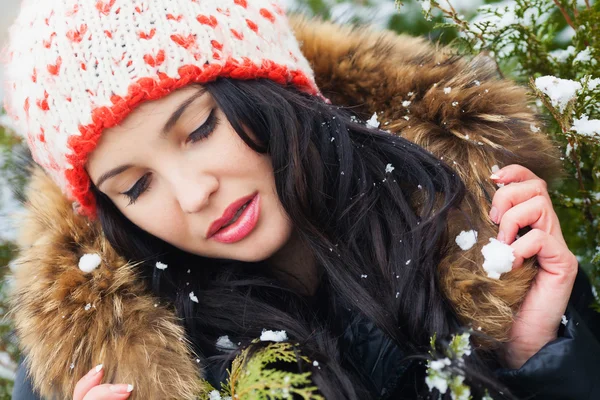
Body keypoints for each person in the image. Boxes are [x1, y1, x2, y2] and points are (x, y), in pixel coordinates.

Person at [3, 0, 599, 399]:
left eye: (201, 129)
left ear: (272, 88)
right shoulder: (94, 366)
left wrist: (537, 353)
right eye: (135, 187)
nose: (192, 194)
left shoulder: (464, 215)